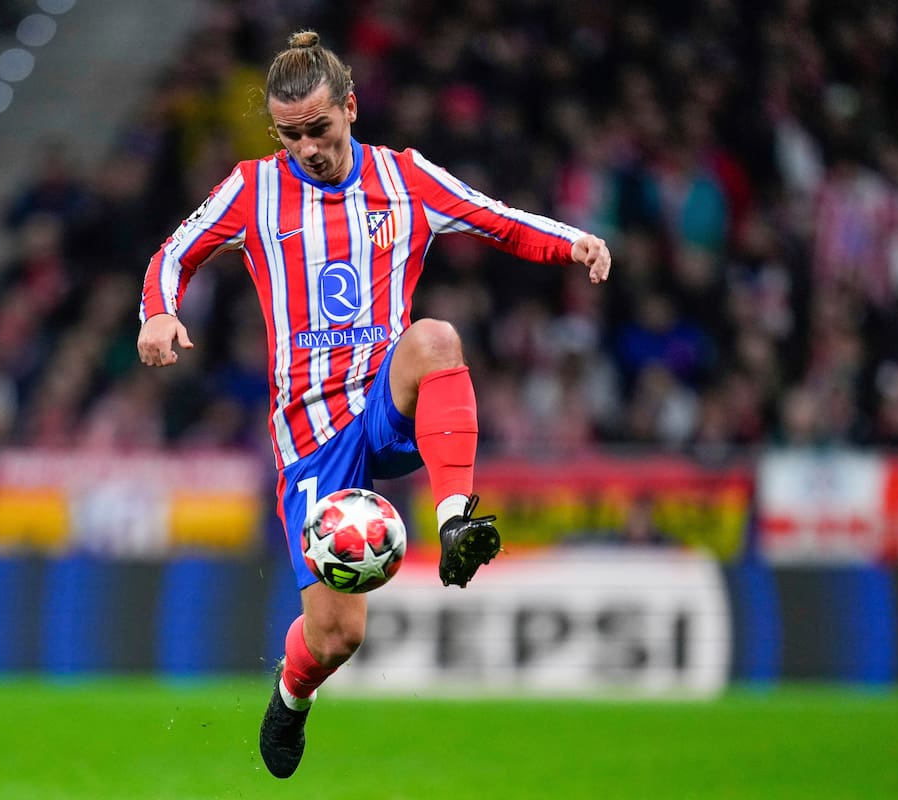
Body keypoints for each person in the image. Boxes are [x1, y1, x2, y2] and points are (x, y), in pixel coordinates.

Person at [137, 30, 611, 778]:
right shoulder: (253, 189)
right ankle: (292, 697)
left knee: (434, 339)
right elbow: (175, 252)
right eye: (290, 136)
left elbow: (495, 217)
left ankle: (456, 521)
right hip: (311, 443)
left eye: (320, 129)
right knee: (335, 637)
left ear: (351, 108)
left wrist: (572, 242)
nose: (308, 149)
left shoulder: (405, 178)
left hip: (386, 406)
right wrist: (159, 313)